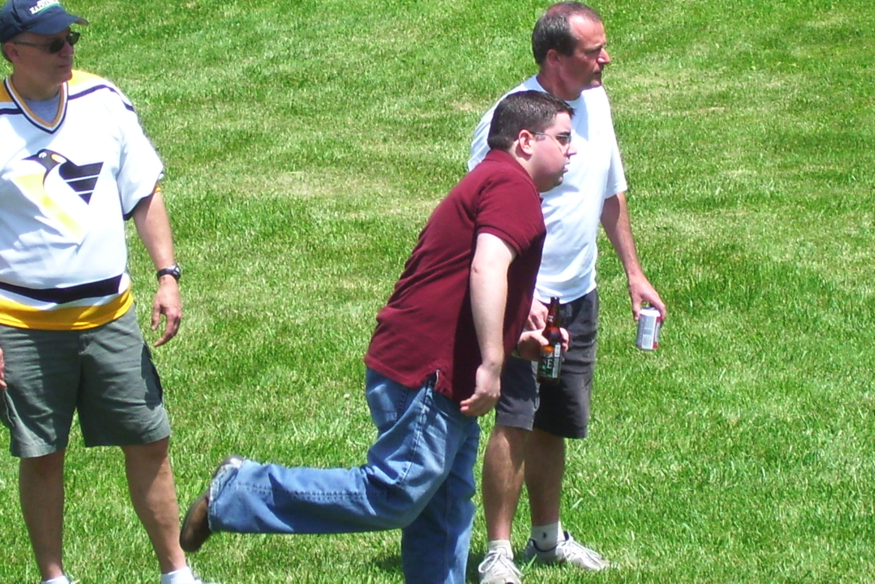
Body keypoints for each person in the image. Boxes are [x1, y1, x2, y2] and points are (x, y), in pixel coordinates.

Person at [178, 90, 576, 584]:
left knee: (443, 508)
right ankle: (240, 492)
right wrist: (493, 365)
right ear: (525, 141)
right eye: (563, 138)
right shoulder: (510, 185)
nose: (572, 150)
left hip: (431, 367)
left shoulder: (494, 180)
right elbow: (486, 267)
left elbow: (454, 285)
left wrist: (515, 343)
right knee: (395, 492)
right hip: (429, 371)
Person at [0, 0, 200, 584]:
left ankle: (176, 573)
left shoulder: (102, 101)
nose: (67, 51)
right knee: (42, 455)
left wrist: (167, 274)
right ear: (12, 52)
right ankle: (54, 578)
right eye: (52, 44)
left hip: (110, 316)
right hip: (24, 325)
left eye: (71, 39)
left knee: (150, 441)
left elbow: (143, 190)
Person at [469, 1, 667, 584]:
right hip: (524, 300)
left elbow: (610, 190)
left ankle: (547, 537)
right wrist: (518, 295)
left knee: (555, 419)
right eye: (593, 51)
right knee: (515, 418)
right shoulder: (510, 120)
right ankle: (498, 552)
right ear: (555, 58)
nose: (607, 59)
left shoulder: (595, 102)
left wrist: (633, 272)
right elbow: (479, 215)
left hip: (578, 295)